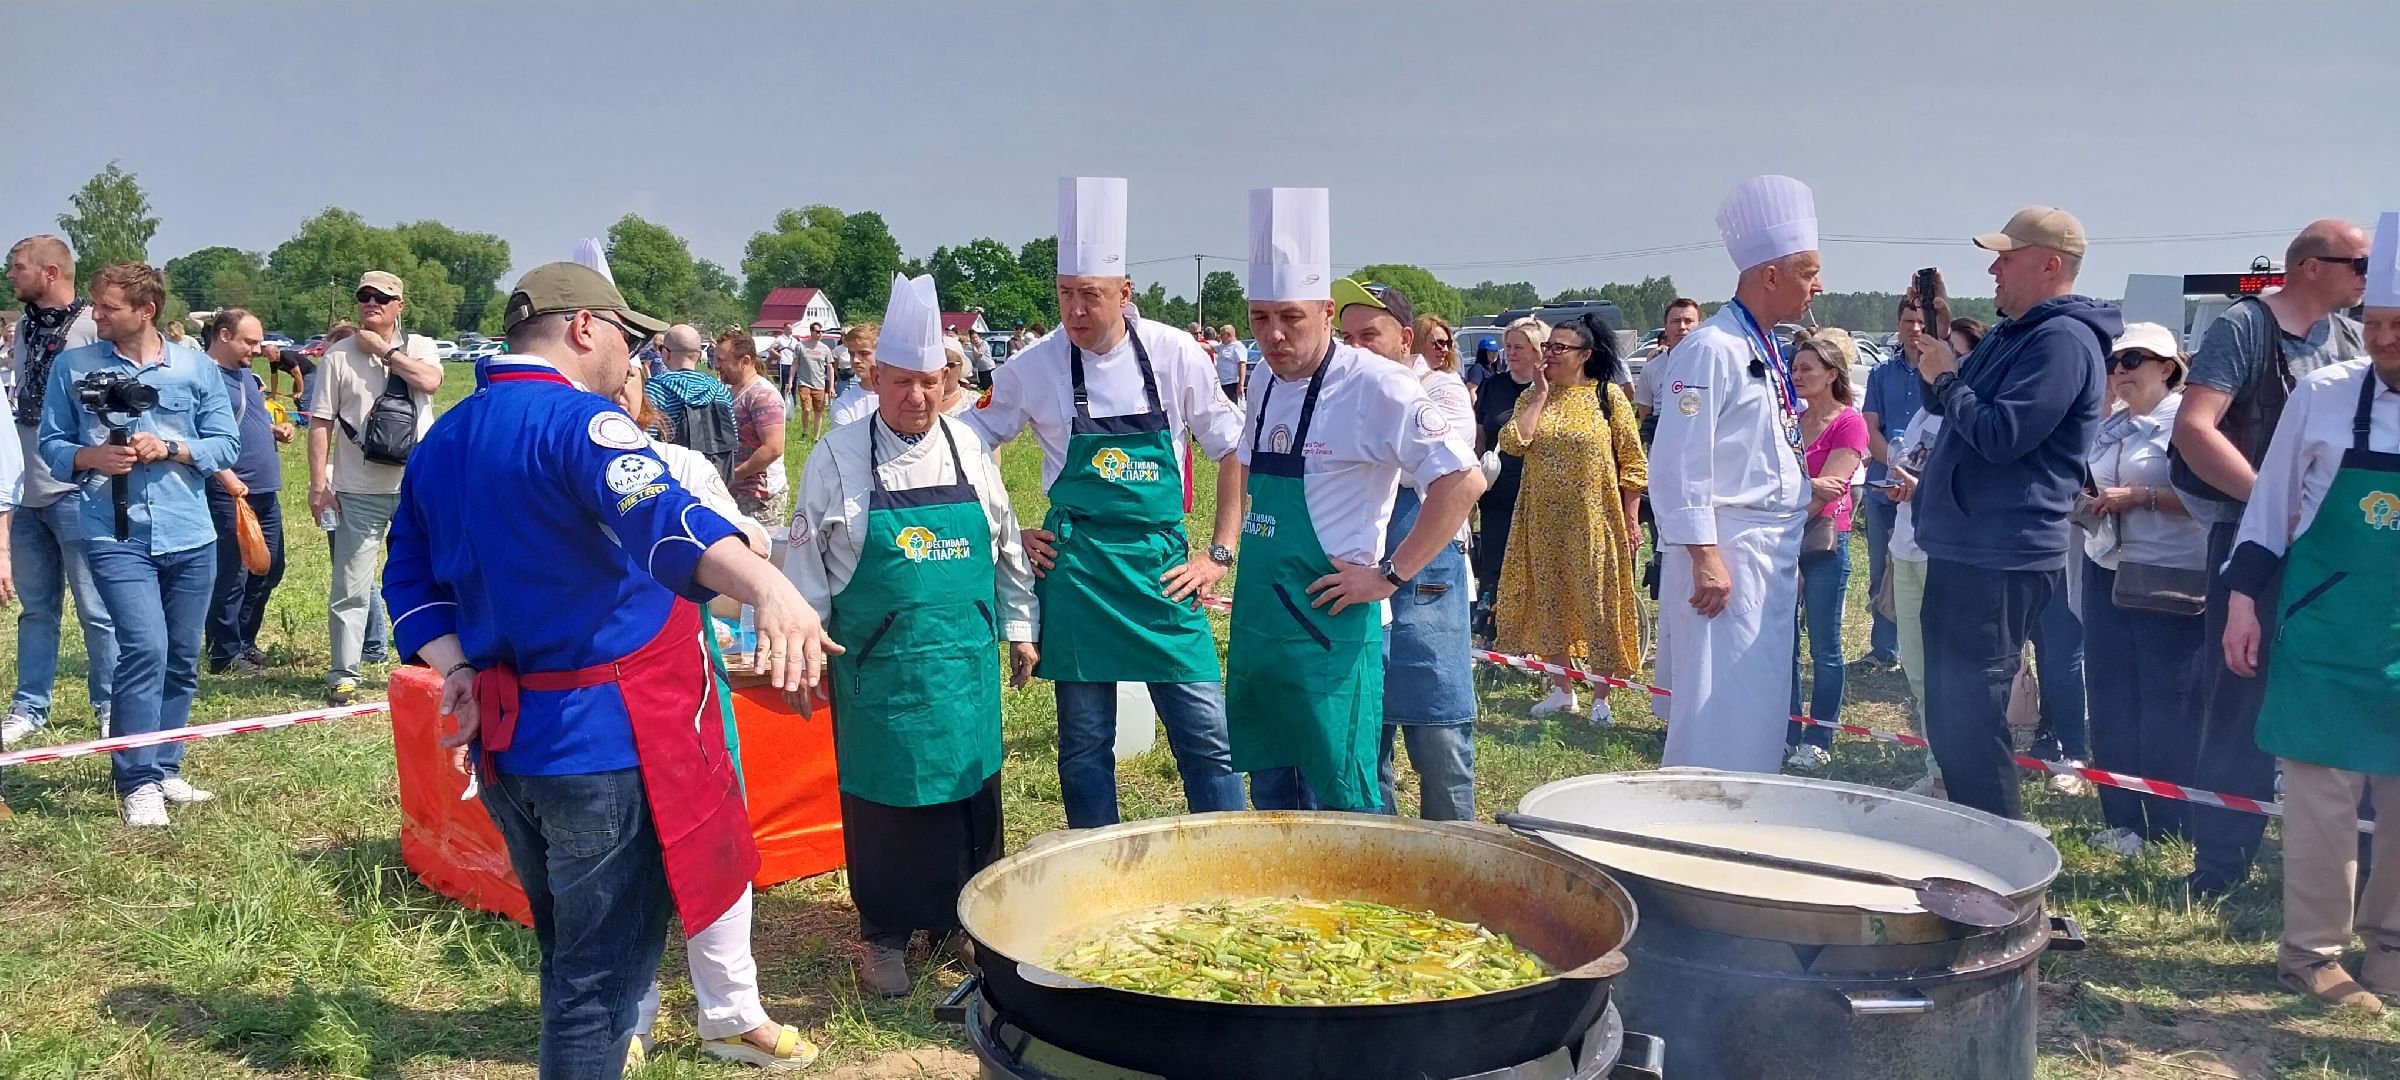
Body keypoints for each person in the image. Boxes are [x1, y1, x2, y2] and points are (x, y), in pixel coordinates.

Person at [387, 263, 837, 1076]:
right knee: (600, 987)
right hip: (603, 745)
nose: (632, 359)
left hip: (509, 745)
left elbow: (408, 580)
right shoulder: (583, 424)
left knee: (570, 962)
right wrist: (770, 587)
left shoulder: (448, 434)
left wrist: (453, 664)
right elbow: (668, 522)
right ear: (583, 327)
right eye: (626, 339)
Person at [961, 177, 1249, 828]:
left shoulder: (1176, 354)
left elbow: (1234, 446)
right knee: (1084, 747)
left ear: (1124, 293)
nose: (1076, 311)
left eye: (1090, 296)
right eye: (1065, 296)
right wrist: (1009, 531)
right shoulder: (1032, 367)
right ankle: (1096, 874)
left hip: (1163, 575)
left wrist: (1220, 554)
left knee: (1208, 738)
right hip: (1080, 574)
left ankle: (1227, 867)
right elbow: (970, 443)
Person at [788, 272, 1037, 998]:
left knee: (969, 795)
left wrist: (1021, 628)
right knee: (889, 802)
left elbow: (1007, 549)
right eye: (902, 383)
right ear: (874, 376)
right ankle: (887, 935)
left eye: (932, 382)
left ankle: (961, 923)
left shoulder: (969, 450)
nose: (917, 398)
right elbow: (806, 569)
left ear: (948, 380)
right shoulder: (835, 457)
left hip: (962, 665)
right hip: (880, 669)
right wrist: (806, 655)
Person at [1231, 188, 1483, 813]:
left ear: (1322, 310)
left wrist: (1390, 575)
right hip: (1262, 623)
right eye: (1261, 318)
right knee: (1274, 793)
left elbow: (1463, 481)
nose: (1274, 334)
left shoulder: (1377, 384)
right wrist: (1221, 544)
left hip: (1330, 629)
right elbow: (1238, 463)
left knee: (1344, 798)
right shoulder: (1261, 378)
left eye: (1291, 317)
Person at [2218, 212, 2400, 1010]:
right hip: (2325, 625)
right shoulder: (2325, 396)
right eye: (2380, 324)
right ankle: (2313, 953)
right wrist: (2241, 602)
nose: (2387, 340)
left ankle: (2391, 946)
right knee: (2323, 794)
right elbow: (2269, 510)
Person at [2172, 219, 2371, 898]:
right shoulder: (2244, 328)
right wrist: (2275, 506)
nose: (2371, 281)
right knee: (2238, 699)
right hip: (2253, 542)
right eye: (2361, 265)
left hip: (2339, 553)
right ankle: (2220, 866)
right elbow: (2195, 429)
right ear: (2313, 266)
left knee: (2336, 692)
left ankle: (2350, 867)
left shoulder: (2347, 338)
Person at [1910, 207, 2116, 820]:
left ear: (2051, 264)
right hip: (1968, 547)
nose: (1993, 267)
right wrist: (1941, 348)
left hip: (2002, 552)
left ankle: (1999, 862)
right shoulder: (2015, 331)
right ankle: (1973, 848)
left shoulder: (2061, 340)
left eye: (2007, 255)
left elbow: (2001, 434)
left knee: (1971, 714)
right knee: (1952, 714)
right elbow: (1948, 401)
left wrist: (1949, 379)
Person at [39, 263, 240, 826]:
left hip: (191, 534)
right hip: (113, 532)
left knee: (180, 655)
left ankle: (166, 765)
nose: (95, 315)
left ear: (145, 310)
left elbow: (224, 444)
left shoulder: (196, 368)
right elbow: (52, 442)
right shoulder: (72, 367)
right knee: (145, 648)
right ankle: (135, 780)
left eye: (106, 307)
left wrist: (173, 447)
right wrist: (90, 457)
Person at [1645, 176, 1822, 774]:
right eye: (1807, 271)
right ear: (1769, 275)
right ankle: (1699, 816)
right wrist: (1705, 555)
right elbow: (1678, 459)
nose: (1817, 286)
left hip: (1768, 549)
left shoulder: (1766, 345)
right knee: (1717, 702)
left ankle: (1749, 802)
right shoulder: (1711, 348)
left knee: (1758, 700)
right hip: (1727, 548)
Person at [1333, 279, 1479, 819]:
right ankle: (1388, 866)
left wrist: (1391, 573)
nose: (1355, 349)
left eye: (1369, 335)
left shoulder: (1437, 393)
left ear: (1406, 340)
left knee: (1439, 737)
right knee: (1370, 739)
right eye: (1345, 337)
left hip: (1424, 576)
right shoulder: (1337, 398)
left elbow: (1459, 483)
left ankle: (1457, 866)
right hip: (1366, 583)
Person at [2070, 321, 2208, 856]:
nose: (2120, 372)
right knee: (2109, 697)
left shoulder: (2189, 424)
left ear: (2168, 368)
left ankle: (2170, 824)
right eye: (2115, 363)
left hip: (2167, 576)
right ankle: (2122, 817)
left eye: (2134, 361)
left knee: (2166, 701)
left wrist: (2142, 497)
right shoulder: (2114, 424)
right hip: (2108, 566)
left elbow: (2210, 501)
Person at [1494, 312, 1647, 724]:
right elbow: (1512, 442)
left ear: (1585, 355)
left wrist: (1631, 518)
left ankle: (1601, 697)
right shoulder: (1532, 396)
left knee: (1598, 605)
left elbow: (1633, 461)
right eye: (1548, 347)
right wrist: (1540, 394)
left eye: (1559, 348)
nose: (1550, 354)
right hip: (1541, 520)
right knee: (1550, 603)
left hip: (1594, 519)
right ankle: (1564, 690)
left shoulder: (1607, 396)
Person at [308, 270, 442, 706]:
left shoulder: (420, 347)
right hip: (356, 489)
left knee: (428, 576)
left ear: (399, 305)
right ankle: (344, 674)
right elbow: (320, 422)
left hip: (417, 486)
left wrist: (384, 351)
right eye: (365, 297)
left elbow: (430, 381)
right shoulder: (337, 356)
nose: (372, 304)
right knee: (350, 585)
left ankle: (432, 663)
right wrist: (318, 485)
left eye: (383, 298)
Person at [3, 235, 113, 748]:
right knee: (36, 608)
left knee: (96, 607)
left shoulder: (93, 327)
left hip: (76, 489)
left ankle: (110, 704)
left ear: (50, 273)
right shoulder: (25, 327)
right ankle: (29, 705)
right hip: (29, 492)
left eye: (17, 267)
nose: (10, 275)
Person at [1773, 329, 1868, 770]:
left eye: (1806, 368)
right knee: (1784, 641)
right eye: (1794, 368)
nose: (1797, 374)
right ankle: (1789, 729)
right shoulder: (1790, 419)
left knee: (1825, 647)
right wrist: (1803, 485)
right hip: (1784, 540)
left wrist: (1794, 495)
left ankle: (1821, 735)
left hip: (1823, 542)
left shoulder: (1850, 422)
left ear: (1832, 373)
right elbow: (1778, 478)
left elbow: (1832, 491)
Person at [201, 309, 292, 676]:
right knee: (233, 574)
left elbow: (243, 421)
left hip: (264, 487)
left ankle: (243, 640)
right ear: (224, 335)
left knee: (268, 568)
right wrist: (226, 479)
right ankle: (223, 652)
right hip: (231, 491)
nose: (258, 349)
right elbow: (197, 434)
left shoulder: (243, 375)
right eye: (249, 342)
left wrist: (273, 430)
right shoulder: (203, 377)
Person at [1856, 297, 1927, 668]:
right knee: (1881, 570)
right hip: (1883, 487)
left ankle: (1920, 648)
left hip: (1928, 492)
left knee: (1921, 572)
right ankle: (1884, 649)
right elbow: (1869, 428)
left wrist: (1918, 474)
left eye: (1921, 320)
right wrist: (1898, 463)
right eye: (1908, 320)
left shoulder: (1940, 374)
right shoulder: (1881, 373)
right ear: (1898, 324)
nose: (1915, 327)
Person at [1470, 319, 1543, 641]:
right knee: (1494, 562)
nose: (1510, 353)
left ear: (1536, 351)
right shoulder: (1492, 386)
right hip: (1497, 488)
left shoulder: (1550, 390)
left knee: (1535, 562)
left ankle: (1535, 637)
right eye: (1508, 346)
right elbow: (1481, 432)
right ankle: (1492, 633)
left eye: (1519, 347)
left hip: (1537, 488)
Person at [645, 324, 740, 485]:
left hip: (674, 481)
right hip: (715, 477)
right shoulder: (720, 389)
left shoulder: (655, 388)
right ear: (699, 354)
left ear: (665, 353)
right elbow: (733, 438)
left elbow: (646, 440)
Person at [712, 330, 788, 525]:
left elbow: (773, 448)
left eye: (722, 360)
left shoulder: (763, 396)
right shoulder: (729, 391)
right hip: (734, 492)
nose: (716, 366)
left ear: (745, 361)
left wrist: (734, 475)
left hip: (759, 498)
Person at [1631, 297, 1704, 425]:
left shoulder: (1713, 367)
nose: (1682, 327)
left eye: (1688, 321)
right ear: (1665, 327)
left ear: (1700, 326)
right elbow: (1645, 414)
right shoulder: (1651, 369)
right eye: (1675, 321)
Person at [826, 324, 881, 427]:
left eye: (864, 354)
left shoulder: (899, 396)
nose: (855, 360)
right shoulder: (844, 404)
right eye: (851, 354)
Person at [792, 321, 832, 441]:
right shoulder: (801, 346)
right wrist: (790, 380)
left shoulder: (825, 349)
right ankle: (804, 432)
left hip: (819, 384)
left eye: (821, 332)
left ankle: (816, 437)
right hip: (804, 382)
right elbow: (795, 364)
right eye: (818, 331)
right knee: (807, 409)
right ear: (811, 331)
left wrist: (831, 386)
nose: (820, 334)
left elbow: (829, 367)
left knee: (818, 411)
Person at [1213, 324, 1248, 401]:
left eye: (1222, 334)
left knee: (1231, 408)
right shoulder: (1222, 346)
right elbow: (1210, 348)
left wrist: (1241, 384)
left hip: (1232, 384)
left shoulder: (1238, 347)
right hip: (1221, 383)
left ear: (1228, 335)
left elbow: (1242, 365)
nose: (1220, 337)